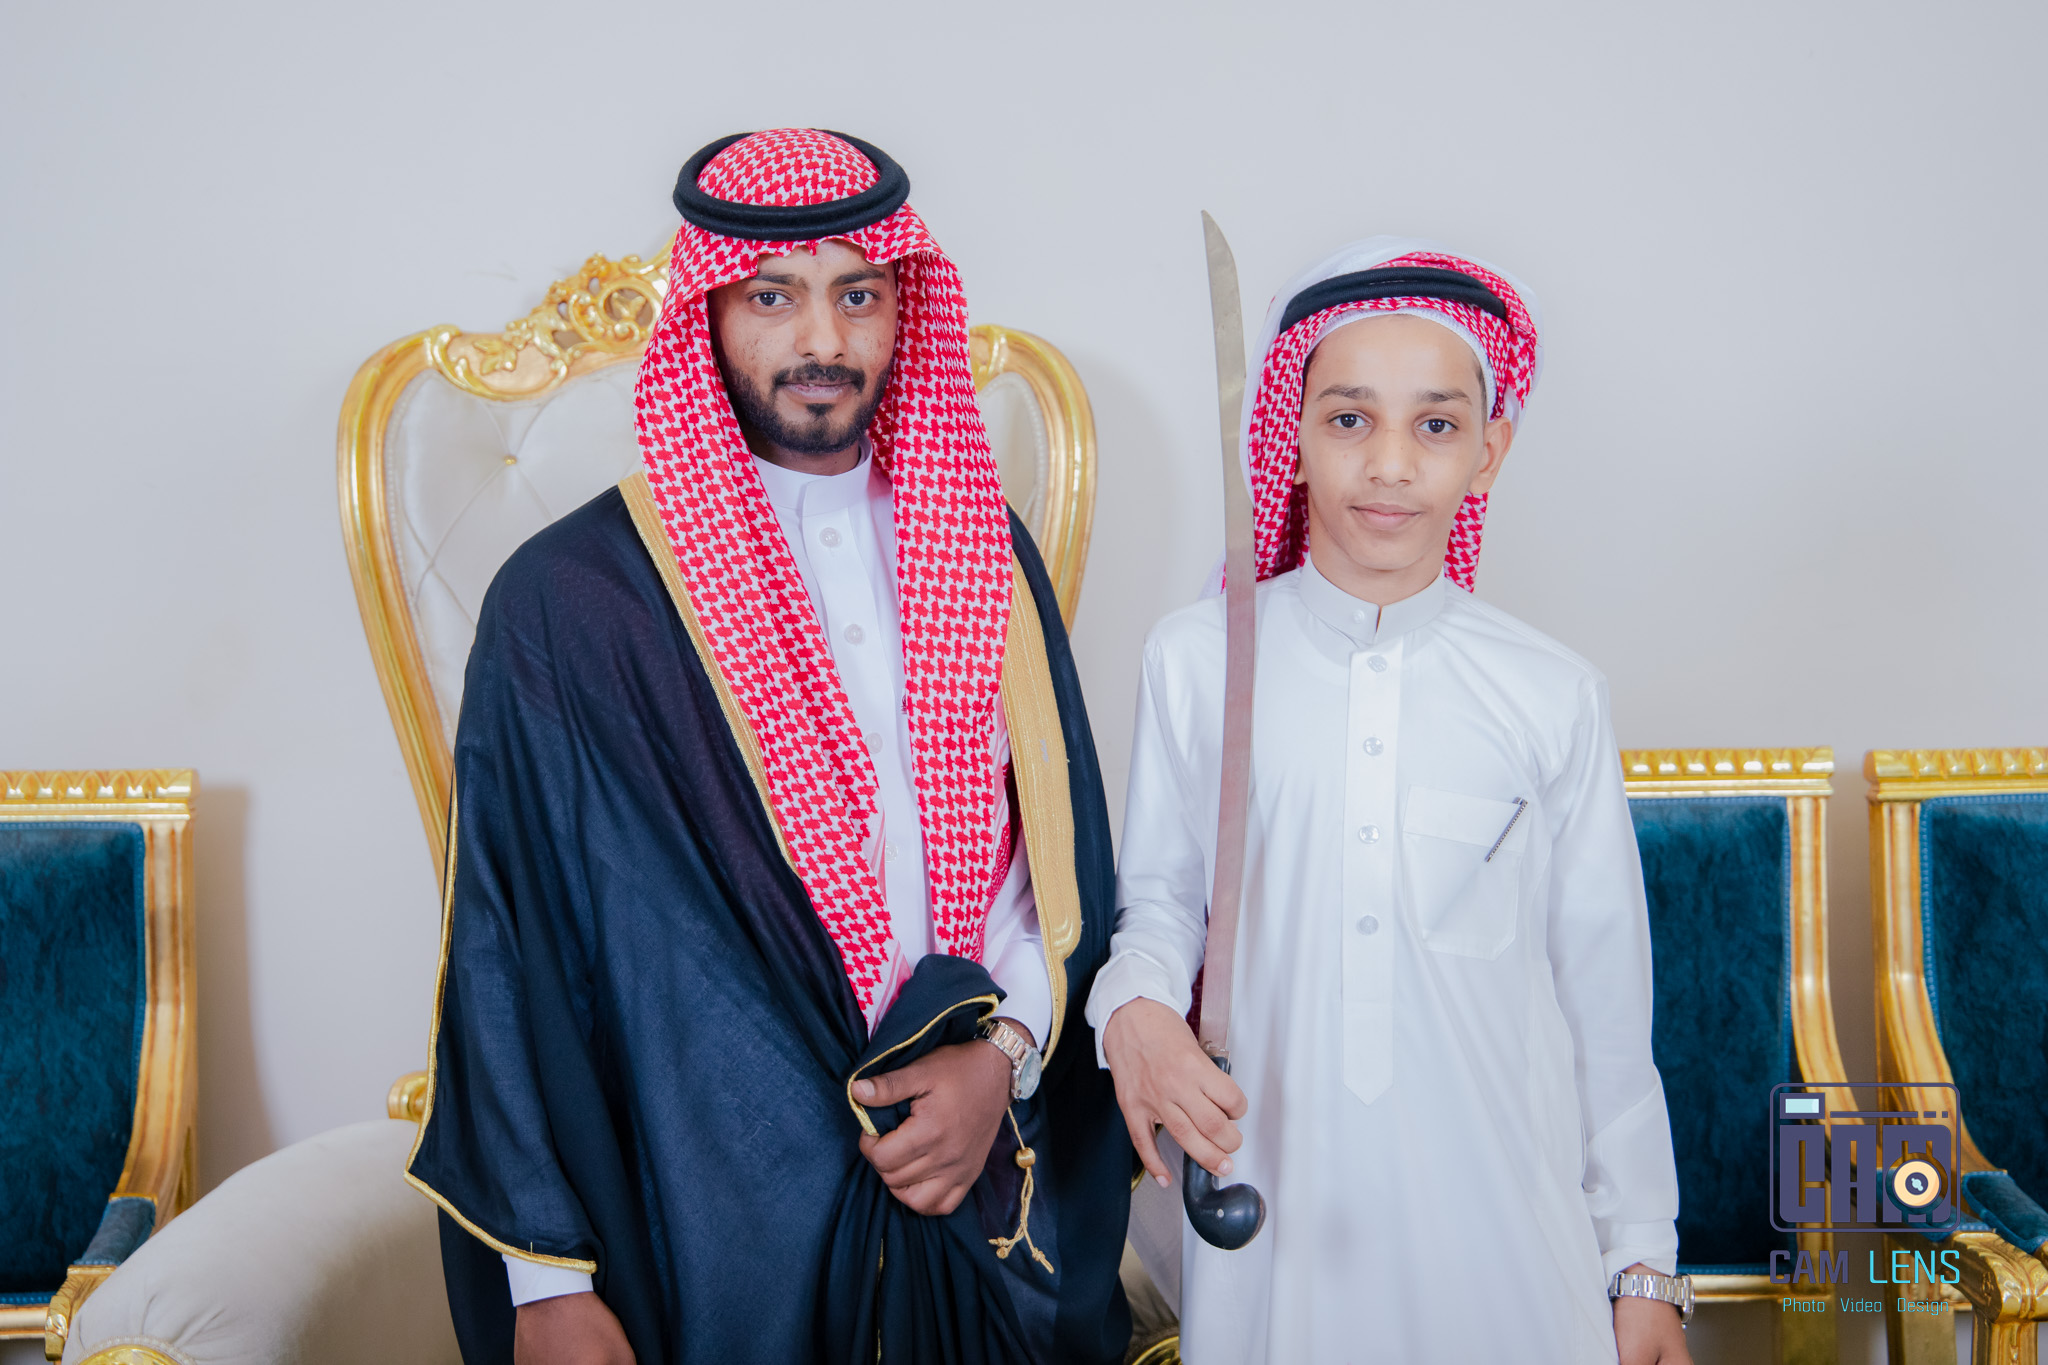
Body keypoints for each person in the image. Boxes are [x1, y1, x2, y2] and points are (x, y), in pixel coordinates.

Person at [406, 129, 1130, 1365]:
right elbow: (508, 947)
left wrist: (1001, 1062)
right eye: (772, 298)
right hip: (701, 1216)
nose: (822, 341)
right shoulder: (572, 604)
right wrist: (543, 1282)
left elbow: (1047, 866)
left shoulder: (981, 550)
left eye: (859, 295)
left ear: (904, 307)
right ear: (707, 314)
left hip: (966, 1176)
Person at [1089, 239, 1690, 1364]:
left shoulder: (1552, 693)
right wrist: (1134, 1006)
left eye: (1436, 424)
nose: (1390, 464)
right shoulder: (1199, 660)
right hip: (1272, 1218)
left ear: (1487, 452)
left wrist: (1641, 1265)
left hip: (1506, 1232)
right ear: (1294, 433)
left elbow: (1605, 1014)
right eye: (1350, 418)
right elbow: (1161, 906)